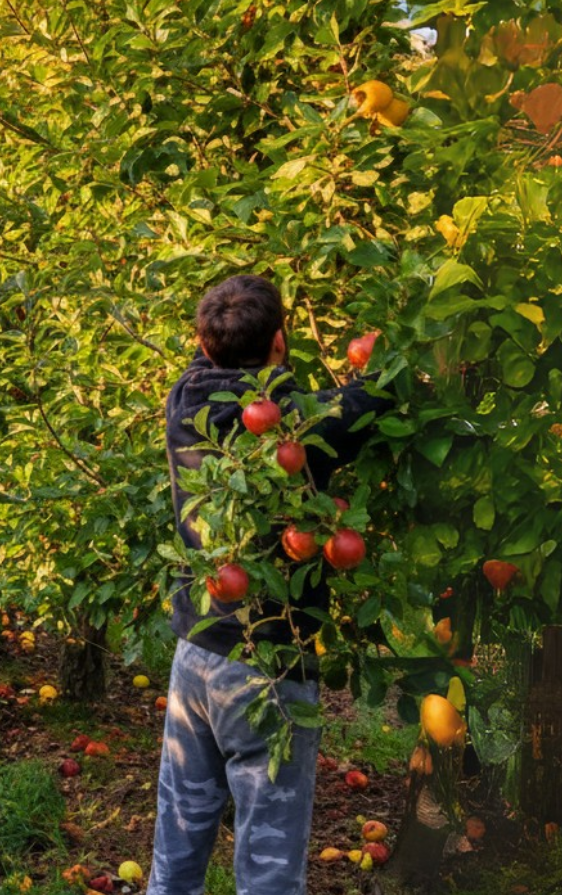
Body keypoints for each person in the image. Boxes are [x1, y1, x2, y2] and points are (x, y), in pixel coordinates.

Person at [150, 274, 391, 894]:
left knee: (178, 839)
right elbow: (371, 400)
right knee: (270, 862)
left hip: (196, 652)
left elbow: (222, 364)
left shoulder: (184, 402)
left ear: (203, 346)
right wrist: (375, 355)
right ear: (281, 341)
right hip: (269, 664)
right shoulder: (296, 430)